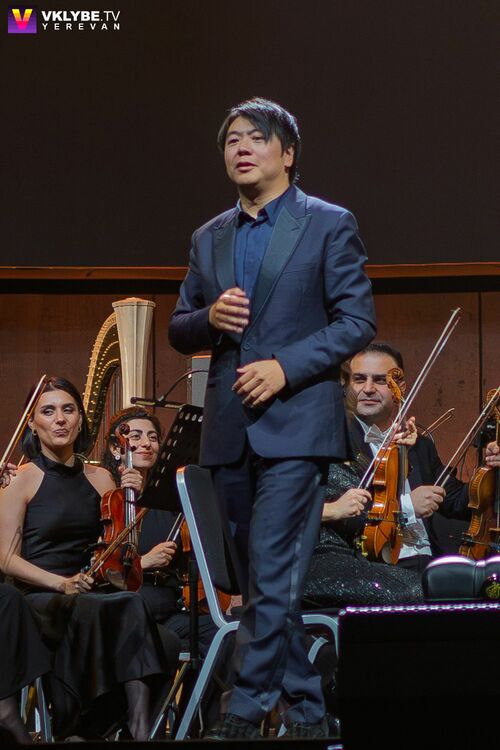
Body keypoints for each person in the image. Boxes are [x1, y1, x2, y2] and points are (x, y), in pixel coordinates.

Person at [168, 97, 376, 739]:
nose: (241, 147)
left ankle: (244, 707)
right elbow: (179, 327)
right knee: (265, 580)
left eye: (255, 138)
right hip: (230, 430)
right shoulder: (209, 236)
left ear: (287, 154)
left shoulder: (328, 223)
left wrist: (286, 366)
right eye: (232, 139)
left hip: (297, 426)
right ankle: (310, 713)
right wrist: (209, 319)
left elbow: (356, 322)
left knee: (272, 566)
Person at [0, 377, 179, 741]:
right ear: (32, 423)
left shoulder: (101, 478)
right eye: (48, 411)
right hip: (43, 596)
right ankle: (84, 726)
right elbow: (6, 559)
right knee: (101, 610)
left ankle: (137, 729)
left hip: (89, 590)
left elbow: (121, 552)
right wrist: (61, 583)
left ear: (80, 419)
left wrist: (133, 500)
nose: (60, 419)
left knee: (143, 617)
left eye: (68, 410)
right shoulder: (22, 480)